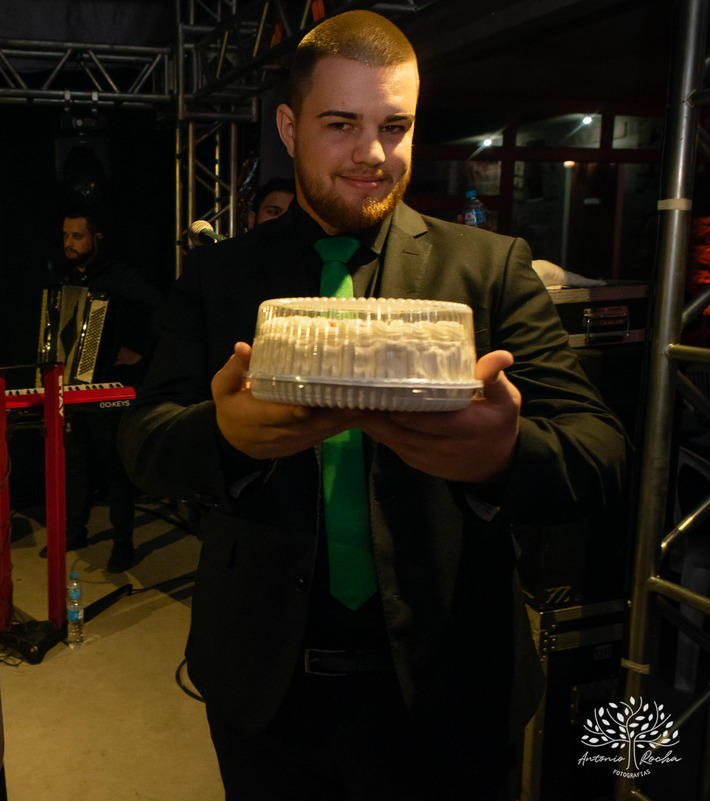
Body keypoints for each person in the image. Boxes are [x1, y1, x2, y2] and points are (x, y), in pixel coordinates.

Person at [118, 11, 627, 801]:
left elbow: (601, 452)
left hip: (452, 691)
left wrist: (503, 455)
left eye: (395, 127)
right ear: (289, 128)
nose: (373, 154)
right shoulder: (218, 278)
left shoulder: (489, 270)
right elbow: (144, 441)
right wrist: (224, 436)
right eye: (341, 125)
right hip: (268, 693)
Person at [51, 208, 158, 572]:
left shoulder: (120, 277)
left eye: (77, 236)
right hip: (71, 384)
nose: (69, 243)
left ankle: (123, 541)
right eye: (65, 236)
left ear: (96, 239)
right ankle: (75, 532)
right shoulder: (61, 278)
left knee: (115, 464)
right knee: (75, 461)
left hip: (109, 384)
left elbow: (162, 310)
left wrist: (140, 352)